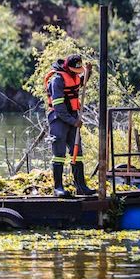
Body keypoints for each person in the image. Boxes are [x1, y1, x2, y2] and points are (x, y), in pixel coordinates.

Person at [44, 54, 96, 197]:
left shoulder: (73, 75)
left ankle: (81, 187)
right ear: (68, 68)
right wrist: (73, 121)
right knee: (59, 154)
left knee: (77, 153)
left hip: (72, 117)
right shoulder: (57, 80)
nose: (76, 73)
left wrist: (89, 72)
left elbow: (79, 83)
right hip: (59, 118)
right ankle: (58, 188)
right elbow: (59, 108)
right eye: (75, 71)